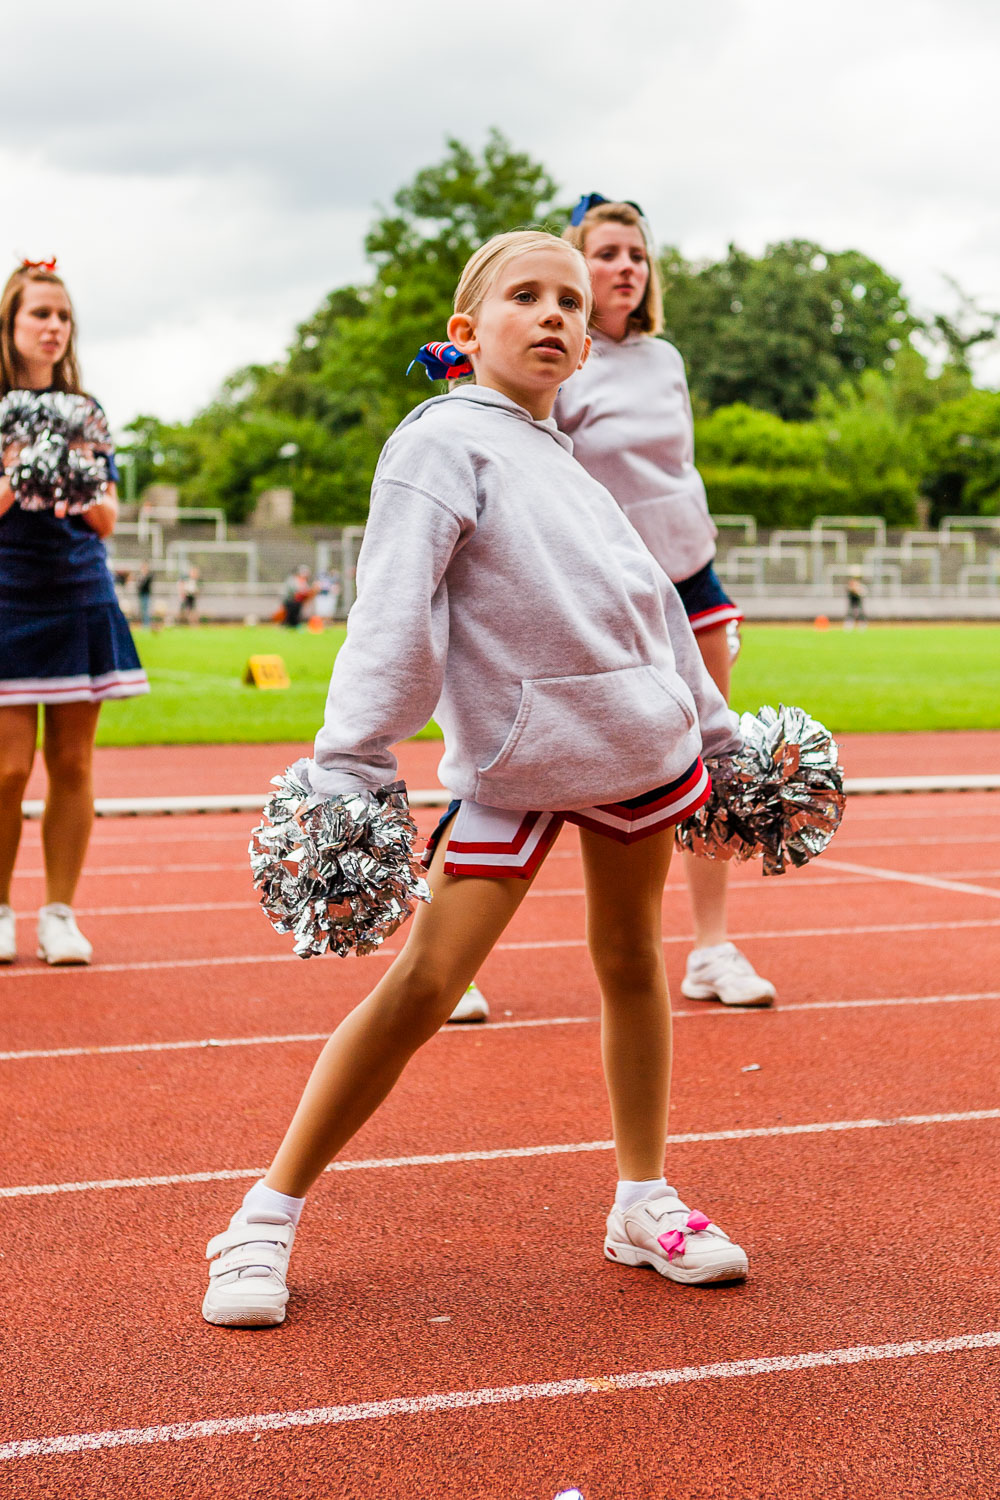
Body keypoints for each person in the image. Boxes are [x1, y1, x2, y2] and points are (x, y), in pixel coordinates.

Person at [201, 230, 749, 1330]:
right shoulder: (440, 443)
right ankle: (261, 1217)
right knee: (423, 985)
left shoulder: (574, 466)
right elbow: (392, 617)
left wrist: (716, 733)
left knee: (633, 964)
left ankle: (640, 1199)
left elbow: (655, 609)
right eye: (525, 296)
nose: (556, 314)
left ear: (588, 346)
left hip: (635, 757)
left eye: (570, 303)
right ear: (465, 332)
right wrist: (352, 761)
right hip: (515, 764)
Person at [556, 197, 775, 1008]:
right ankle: (455, 954)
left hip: (692, 578)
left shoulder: (668, 358)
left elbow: (676, 472)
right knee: (547, 762)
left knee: (712, 760)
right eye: (607, 252)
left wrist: (703, 572)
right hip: (602, 587)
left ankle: (712, 951)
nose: (625, 267)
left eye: (636, 255)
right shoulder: (562, 355)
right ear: (578, 267)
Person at [0, 259, 149, 965]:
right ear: (11, 323)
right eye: (39, 314)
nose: (53, 327)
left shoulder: (88, 410)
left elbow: (108, 518)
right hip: (5, 592)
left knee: (72, 762)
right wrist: (18, 469)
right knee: (4, 770)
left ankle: (58, 913)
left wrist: (76, 480)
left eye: (62, 316)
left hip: (76, 591)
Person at [135, 561, 154, 629]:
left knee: (146, 610)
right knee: (142, 610)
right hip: (141, 594)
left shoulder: (149, 576)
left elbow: (146, 585)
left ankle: (147, 624)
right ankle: (144, 624)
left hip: (146, 595)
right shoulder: (140, 576)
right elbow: (138, 586)